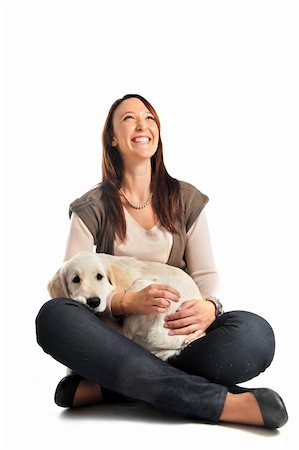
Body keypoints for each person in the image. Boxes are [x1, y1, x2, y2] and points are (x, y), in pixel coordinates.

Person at [35, 93, 288, 428]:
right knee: (54, 316)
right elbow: (73, 293)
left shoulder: (185, 198)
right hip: (113, 342)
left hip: (175, 339)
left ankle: (111, 388)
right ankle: (215, 401)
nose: (142, 124)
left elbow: (206, 273)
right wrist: (124, 302)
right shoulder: (91, 207)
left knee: (255, 335)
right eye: (129, 118)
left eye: (149, 118)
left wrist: (209, 307)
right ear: (112, 137)